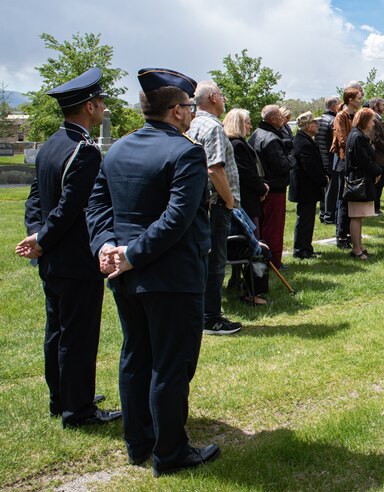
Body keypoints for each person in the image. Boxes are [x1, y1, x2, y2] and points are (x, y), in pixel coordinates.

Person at [86, 67, 219, 476]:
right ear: (177, 112)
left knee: (135, 356)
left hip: (127, 274)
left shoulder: (119, 148)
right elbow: (177, 219)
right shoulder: (186, 152)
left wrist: (107, 245)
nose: (192, 113)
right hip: (171, 276)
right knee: (170, 364)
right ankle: (171, 453)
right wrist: (127, 253)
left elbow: (97, 208)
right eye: (190, 107)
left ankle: (139, 442)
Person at [16, 67, 121, 428]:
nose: (103, 106)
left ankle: (62, 398)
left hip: (53, 259)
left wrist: (36, 235)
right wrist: (41, 238)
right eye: (101, 102)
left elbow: (35, 201)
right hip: (75, 259)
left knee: (57, 331)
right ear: (90, 107)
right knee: (78, 335)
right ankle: (79, 410)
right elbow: (71, 208)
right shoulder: (84, 151)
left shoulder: (51, 144)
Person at [186, 80, 242, 335]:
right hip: (216, 203)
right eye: (221, 94)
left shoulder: (192, 123)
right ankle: (211, 317)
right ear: (211, 97)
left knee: (202, 259)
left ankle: (199, 312)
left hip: (198, 204)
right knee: (216, 260)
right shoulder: (212, 127)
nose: (224, 99)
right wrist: (229, 200)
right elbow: (215, 168)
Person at [223, 108, 268, 305]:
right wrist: (261, 187)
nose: (250, 125)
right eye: (248, 122)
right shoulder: (237, 145)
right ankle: (252, 291)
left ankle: (237, 282)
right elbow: (246, 174)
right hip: (247, 201)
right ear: (238, 123)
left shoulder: (235, 143)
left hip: (246, 199)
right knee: (254, 244)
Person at [248, 104, 293, 269]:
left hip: (261, 187)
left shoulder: (255, 134)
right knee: (273, 227)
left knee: (262, 226)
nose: (283, 119)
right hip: (274, 189)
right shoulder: (271, 138)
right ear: (272, 119)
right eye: (280, 117)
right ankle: (274, 261)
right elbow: (282, 166)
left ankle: (263, 259)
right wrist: (292, 158)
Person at [344, 108, 383, 259]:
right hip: (358, 180)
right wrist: (377, 171)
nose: (374, 123)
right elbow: (363, 160)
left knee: (359, 216)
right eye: (372, 120)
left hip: (361, 179)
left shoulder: (358, 135)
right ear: (365, 120)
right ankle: (356, 249)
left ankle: (359, 246)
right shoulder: (357, 136)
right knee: (356, 216)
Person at [289, 111, 327, 259]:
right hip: (305, 188)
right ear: (308, 126)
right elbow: (310, 167)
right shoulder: (303, 141)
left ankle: (306, 247)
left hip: (307, 188)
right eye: (315, 123)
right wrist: (323, 179)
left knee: (307, 219)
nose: (317, 126)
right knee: (305, 220)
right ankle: (301, 250)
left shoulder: (305, 139)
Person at [330, 88, 361, 249]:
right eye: (358, 98)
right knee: (343, 199)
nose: (360, 101)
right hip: (344, 161)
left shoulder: (355, 115)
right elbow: (342, 140)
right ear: (350, 100)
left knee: (350, 199)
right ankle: (341, 235)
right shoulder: (341, 116)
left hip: (353, 161)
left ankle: (349, 234)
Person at [367, 98, 384, 214]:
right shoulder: (374, 119)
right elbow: (375, 138)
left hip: (383, 157)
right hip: (378, 157)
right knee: (376, 184)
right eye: (382, 104)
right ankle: (374, 208)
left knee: (380, 183)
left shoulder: (379, 119)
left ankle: (376, 207)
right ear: (375, 107)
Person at [317, 96, 339, 224]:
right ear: (333, 106)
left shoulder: (319, 120)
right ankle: (329, 216)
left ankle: (323, 213)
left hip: (321, 159)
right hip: (331, 159)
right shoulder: (333, 120)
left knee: (325, 189)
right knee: (332, 190)